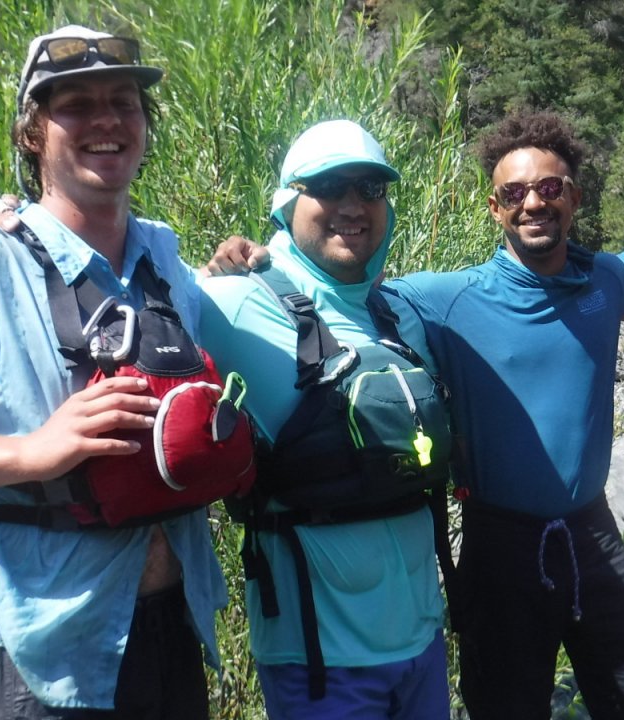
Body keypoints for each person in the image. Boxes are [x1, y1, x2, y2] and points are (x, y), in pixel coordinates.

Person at [209, 111, 624, 718]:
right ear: (494, 208)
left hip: (594, 535)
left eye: (550, 189)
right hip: (499, 546)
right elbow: (343, 294)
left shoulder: (604, 280)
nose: (534, 204)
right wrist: (257, 261)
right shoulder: (441, 300)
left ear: (574, 197)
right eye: (514, 193)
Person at [0, 25, 227, 719]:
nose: (107, 120)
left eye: (124, 100)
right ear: (32, 131)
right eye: (76, 104)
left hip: (171, 631)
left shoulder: (165, 266)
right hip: (30, 659)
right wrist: (30, 452)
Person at [198, 119, 451, 718]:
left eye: (370, 189)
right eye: (330, 186)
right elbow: (121, 291)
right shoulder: (232, 302)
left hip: (421, 645)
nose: (352, 204)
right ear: (288, 203)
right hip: (318, 663)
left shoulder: (400, 315)